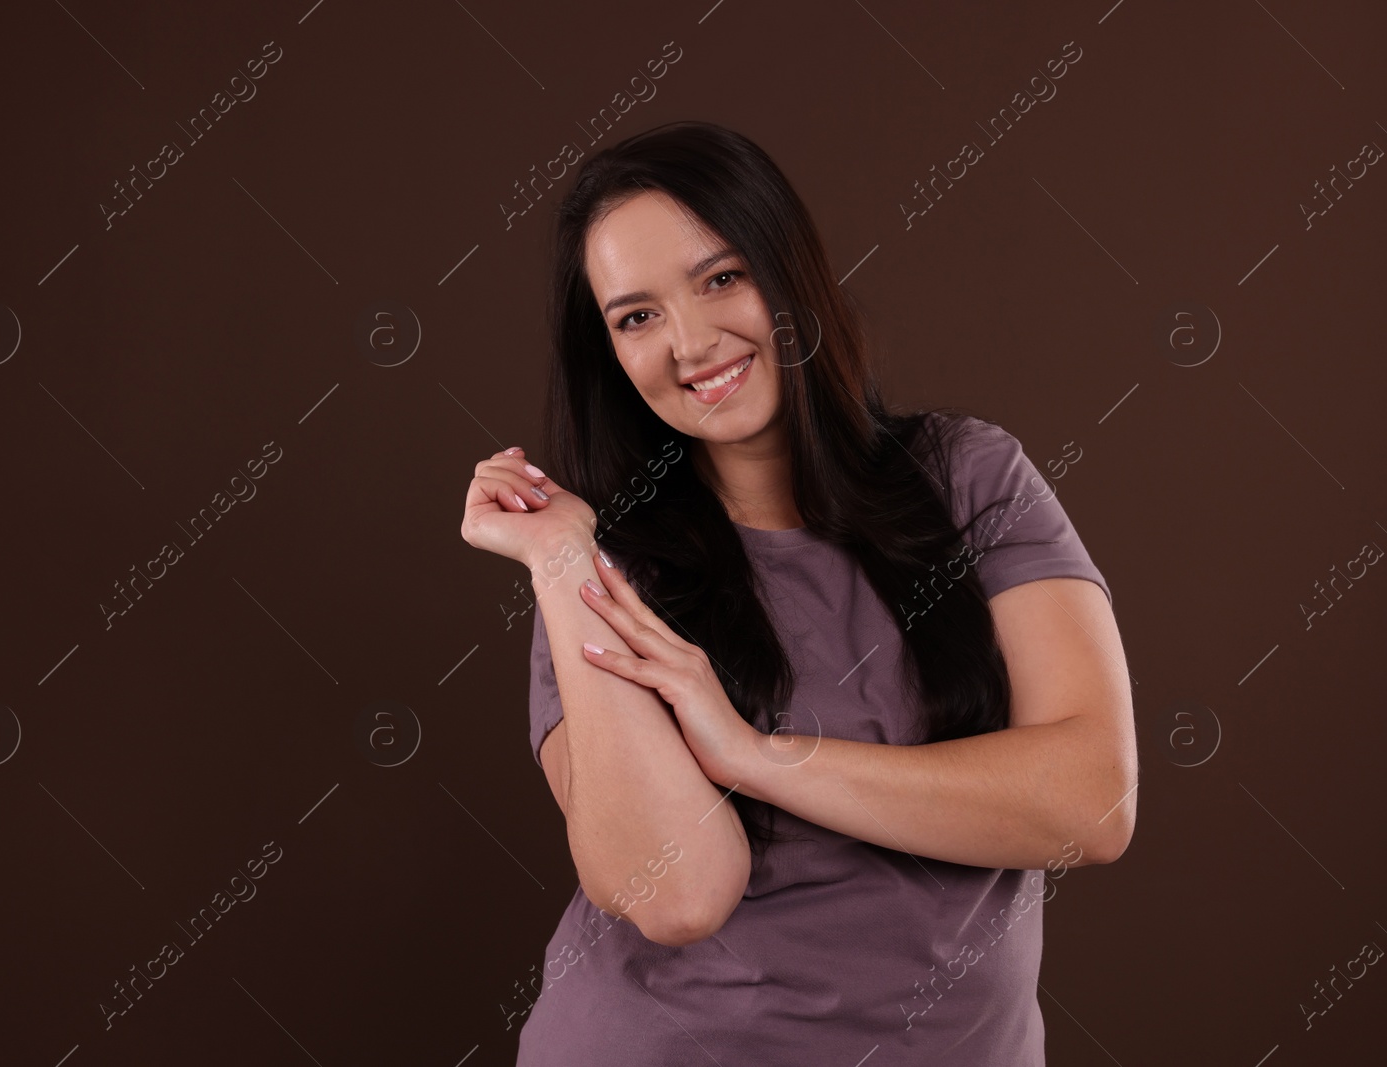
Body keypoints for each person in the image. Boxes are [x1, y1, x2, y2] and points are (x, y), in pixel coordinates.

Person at [459, 119, 1136, 1066]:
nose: (692, 343)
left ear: (790, 270)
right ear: (607, 352)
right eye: (636, 316)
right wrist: (564, 559)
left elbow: (1090, 805)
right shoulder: (607, 571)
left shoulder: (971, 479)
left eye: (722, 276)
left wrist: (752, 754)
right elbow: (678, 893)